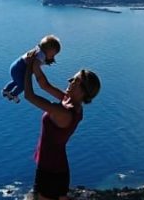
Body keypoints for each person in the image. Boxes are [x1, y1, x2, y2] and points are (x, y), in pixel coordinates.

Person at [23, 53, 101, 200]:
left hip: (50, 171)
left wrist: (27, 69)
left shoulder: (65, 113)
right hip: (56, 168)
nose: (69, 80)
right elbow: (43, 84)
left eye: (75, 80)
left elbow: (29, 96)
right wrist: (35, 63)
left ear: (82, 90)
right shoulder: (72, 104)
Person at [3, 34, 61, 103]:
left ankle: (6, 90)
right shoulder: (41, 55)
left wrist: (46, 61)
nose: (53, 57)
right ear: (47, 50)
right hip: (19, 70)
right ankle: (13, 95)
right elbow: (35, 65)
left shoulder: (39, 50)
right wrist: (39, 75)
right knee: (23, 85)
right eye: (52, 55)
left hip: (15, 67)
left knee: (16, 81)